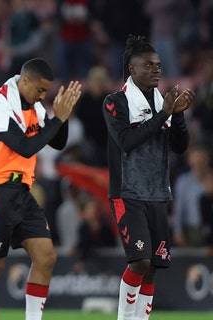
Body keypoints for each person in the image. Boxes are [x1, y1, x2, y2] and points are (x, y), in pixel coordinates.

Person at [0, 58, 81, 320]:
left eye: (46, 92)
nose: (43, 96)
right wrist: (57, 120)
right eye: (40, 90)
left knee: (46, 257)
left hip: (21, 190)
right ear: (25, 81)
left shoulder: (34, 105)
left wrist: (60, 117)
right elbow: (25, 147)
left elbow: (57, 143)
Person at [101, 35, 193, 320]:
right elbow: (126, 141)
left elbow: (179, 146)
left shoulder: (162, 101)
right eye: (149, 64)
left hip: (157, 194)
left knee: (152, 266)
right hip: (127, 193)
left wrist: (176, 116)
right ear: (132, 69)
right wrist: (162, 114)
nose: (157, 69)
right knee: (139, 261)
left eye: (159, 65)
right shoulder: (115, 102)